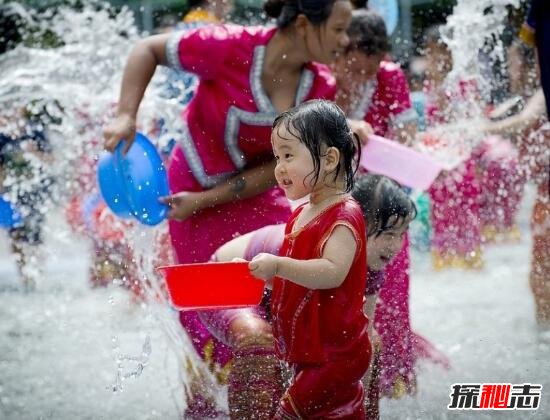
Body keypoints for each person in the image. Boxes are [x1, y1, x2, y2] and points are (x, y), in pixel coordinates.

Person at [103, 1, 371, 417]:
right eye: (338, 29)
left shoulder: (320, 87)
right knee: (214, 326)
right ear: (303, 24)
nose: (344, 41)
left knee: (276, 320)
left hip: (258, 200)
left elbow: (276, 168)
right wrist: (125, 116)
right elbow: (147, 49)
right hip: (187, 202)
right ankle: (205, 410)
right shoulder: (226, 46)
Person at [247, 99, 369, 418]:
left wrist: (278, 266)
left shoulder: (344, 214)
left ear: (329, 159)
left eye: (288, 155)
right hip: (310, 350)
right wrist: (265, 279)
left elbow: (331, 272)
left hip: (335, 355)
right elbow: (296, 276)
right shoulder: (302, 212)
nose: (280, 168)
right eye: (277, 158)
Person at [335, 9, 422, 401]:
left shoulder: (391, 78)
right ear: (341, 51)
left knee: (392, 288)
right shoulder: (323, 78)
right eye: (355, 66)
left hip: (382, 205)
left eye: (370, 68)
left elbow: (406, 140)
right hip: (335, 203)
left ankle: (394, 381)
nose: (362, 75)